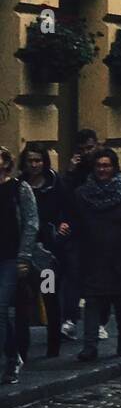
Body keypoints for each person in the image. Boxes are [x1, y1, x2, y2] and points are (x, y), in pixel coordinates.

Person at [73, 147, 121, 361]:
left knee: (120, 304)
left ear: (114, 168)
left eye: (106, 165)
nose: (102, 169)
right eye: (99, 165)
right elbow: (76, 225)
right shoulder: (82, 195)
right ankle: (90, 346)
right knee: (92, 303)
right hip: (93, 258)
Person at [17, 143, 71, 359]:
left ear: (44, 161)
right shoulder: (19, 185)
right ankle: (22, 350)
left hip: (49, 252)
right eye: (30, 160)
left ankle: (53, 345)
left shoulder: (55, 184)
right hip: (25, 251)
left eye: (38, 160)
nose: (34, 165)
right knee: (23, 299)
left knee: (49, 295)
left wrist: (63, 225)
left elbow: (68, 210)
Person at [0, 146, 38, 385]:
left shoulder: (19, 189)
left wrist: (24, 256)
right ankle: (12, 355)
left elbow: (32, 222)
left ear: (5, 162)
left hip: (11, 256)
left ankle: (12, 360)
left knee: (1, 309)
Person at [59, 127, 100, 341]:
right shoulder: (74, 173)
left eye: (90, 148)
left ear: (97, 146)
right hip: (76, 229)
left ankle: (99, 322)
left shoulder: (103, 166)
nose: (86, 153)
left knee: (97, 278)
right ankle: (70, 319)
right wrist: (70, 171)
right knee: (73, 275)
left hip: (99, 231)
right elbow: (64, 196)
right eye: (82, 149)